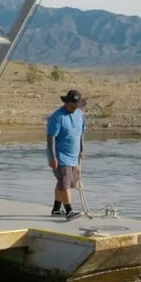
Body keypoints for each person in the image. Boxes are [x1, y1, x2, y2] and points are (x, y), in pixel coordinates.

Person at [46, 88, 86, 217]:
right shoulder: (57, 117)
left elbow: (81, 133)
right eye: (73, 104)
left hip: (74, 155)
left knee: (64, 182)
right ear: (67, 103)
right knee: (64, 183)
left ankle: (56, 209)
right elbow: (50, 138)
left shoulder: (79, 114)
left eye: (77, 104)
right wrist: (52, 157)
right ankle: (69, 211)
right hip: (61, 156)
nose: (76, 107)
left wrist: (81, 149)